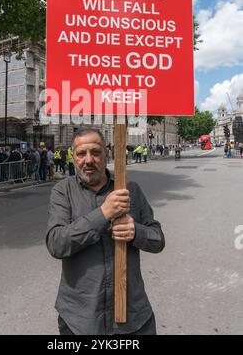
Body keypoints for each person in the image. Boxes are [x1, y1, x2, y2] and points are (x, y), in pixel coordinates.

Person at [46, 127, 165, 336]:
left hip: (134, 318)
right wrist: (103, 213)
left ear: (107, 153)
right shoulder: (62, 191)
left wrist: (136, 232)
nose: (88, 160)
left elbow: (158, 240)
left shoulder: (130, 190)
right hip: (80, 320)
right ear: (73, 157)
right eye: (81, 153)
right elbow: (57, 244)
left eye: (95, 152)